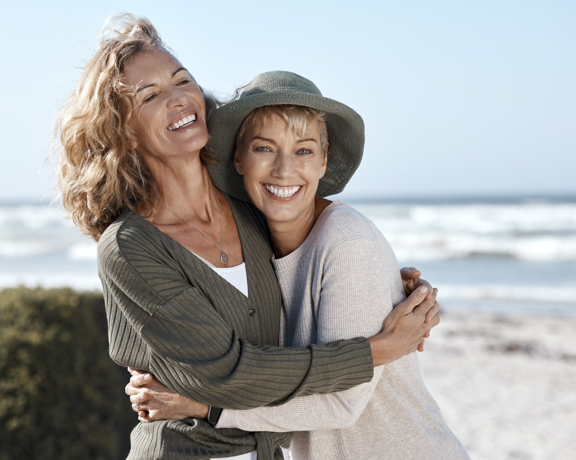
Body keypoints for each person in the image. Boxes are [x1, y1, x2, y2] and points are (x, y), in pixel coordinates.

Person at [56, 14, 439, 460]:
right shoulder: (129, 246)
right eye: (151, 95)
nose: (178, 99)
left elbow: (310, 268)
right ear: (121, 129)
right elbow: (228, 373)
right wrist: (374, 351)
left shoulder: (251, 214)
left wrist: (389, 285)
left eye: (182, 81)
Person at [125, 72, 468, 459]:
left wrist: (206, 407)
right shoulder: (251, 244)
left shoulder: (346, 241)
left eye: (304, 151)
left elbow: (340, 405)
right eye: (264, 149)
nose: (284, 170)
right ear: (239, 160)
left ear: (324, 161)